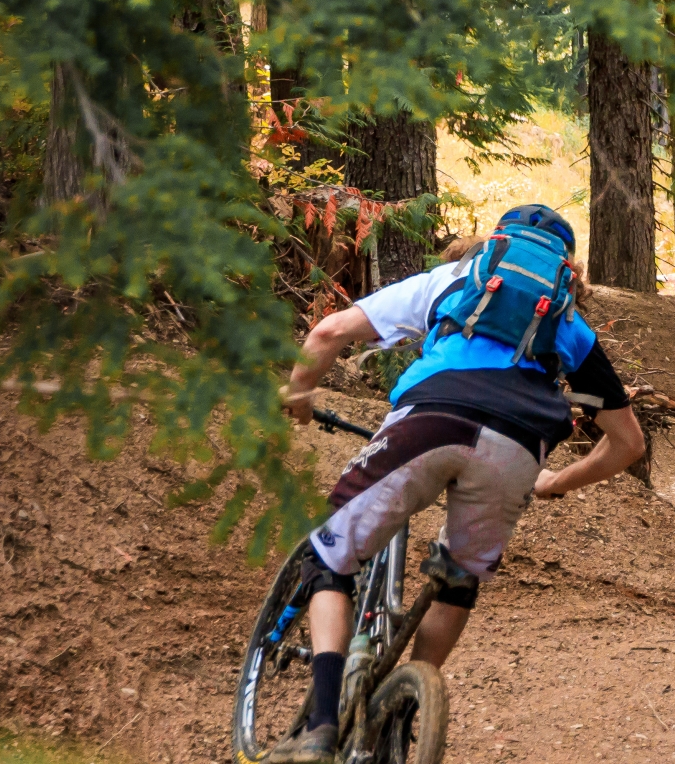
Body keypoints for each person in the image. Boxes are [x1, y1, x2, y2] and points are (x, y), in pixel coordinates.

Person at [266, 205, 645, 763]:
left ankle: (321, 725)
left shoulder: (451, 279)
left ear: (493, 243)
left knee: (329, 555)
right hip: (518, 448)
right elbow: (628, 443)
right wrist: (554, 484)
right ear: (566, 270)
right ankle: (410, 700)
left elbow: (328, 333)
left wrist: (298, 396)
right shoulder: (569, 325)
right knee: (458, 579)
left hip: (431, 420)